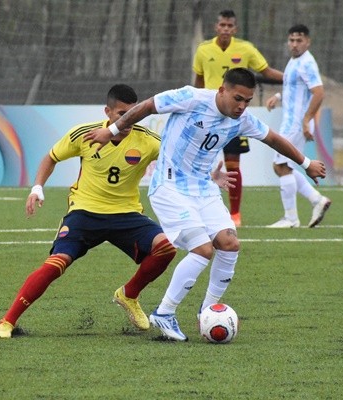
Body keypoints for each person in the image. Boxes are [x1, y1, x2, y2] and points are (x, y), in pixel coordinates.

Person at [84, 68, 326, 341]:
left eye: (247, 101)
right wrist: (112, 130)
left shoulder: (242, 119)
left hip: (204, 189)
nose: (242, 106)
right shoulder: (191, 98)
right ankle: (164, 313)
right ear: (222, 90)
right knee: (202, 249)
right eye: (238, 99)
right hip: (170, 187)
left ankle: (207, 311)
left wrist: (306, 163)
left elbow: (273, 138)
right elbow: (148, 106)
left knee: (229, 244)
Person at [0, 84, 236, 339]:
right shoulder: (84, 134)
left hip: (126, 214)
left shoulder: (147, 139)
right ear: (107, 112)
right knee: (57, 263)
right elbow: (51, 158)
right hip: (84, 213)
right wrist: (37, 188)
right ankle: (8, 321)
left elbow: (180, 161)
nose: (129, 119)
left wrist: (210, 176)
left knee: (165, 248)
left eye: (133, 113)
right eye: (122, 113)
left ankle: (129, 294)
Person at [192, 9, 284, 227]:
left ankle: (235, 214)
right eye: (222, 25)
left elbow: (267, 71)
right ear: (216, 27)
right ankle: (196, 207)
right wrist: (195, 107)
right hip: (209, 114)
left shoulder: (245, 49)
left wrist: (294, 78)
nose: (225, 29)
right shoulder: (203, 49)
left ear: (235, 29)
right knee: (198, 164)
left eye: (229, 26)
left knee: (233, 164)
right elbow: (199, 82)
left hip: (233, 116)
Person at [265, 24, 331, 228]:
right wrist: (278, 96)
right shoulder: (295, 61)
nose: (294, 44)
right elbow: (295, 86)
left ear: (307, 42)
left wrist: (306, 119)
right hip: (291, 122)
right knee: (284, 166)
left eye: (299, 40)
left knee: (281, 166)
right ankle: (317, 200)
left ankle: (291, 218)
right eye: (291, 40)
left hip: (295, 124)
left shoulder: (307, 62)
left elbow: (318, 92)